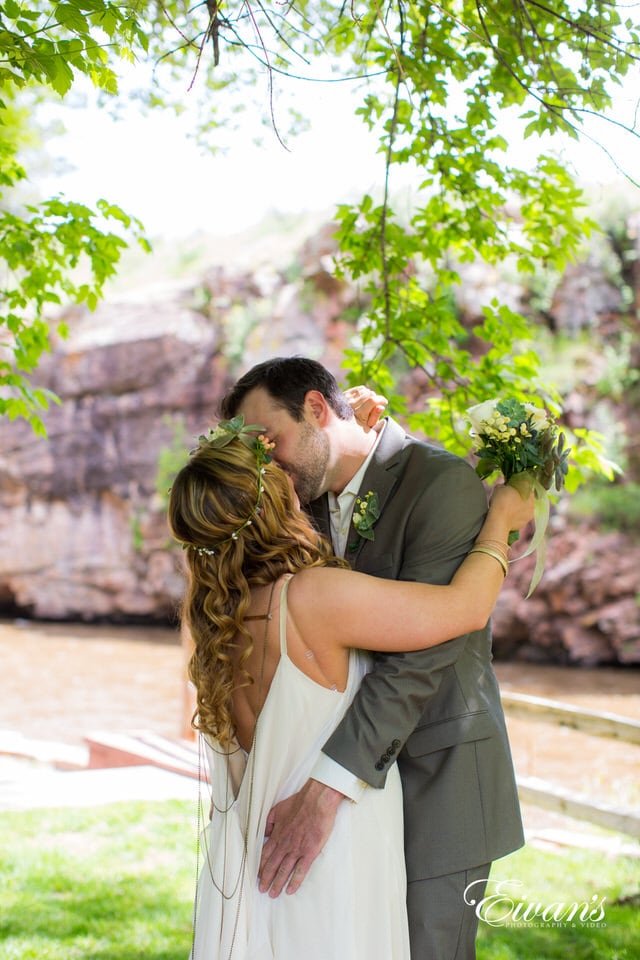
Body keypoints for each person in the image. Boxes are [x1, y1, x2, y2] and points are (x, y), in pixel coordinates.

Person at [168, 414, 534, 960]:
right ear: (276, 501)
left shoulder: (216, 625)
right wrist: (501, 520)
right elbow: (465, 608)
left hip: (257, 863)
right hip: (333, 856)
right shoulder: (314, 598)